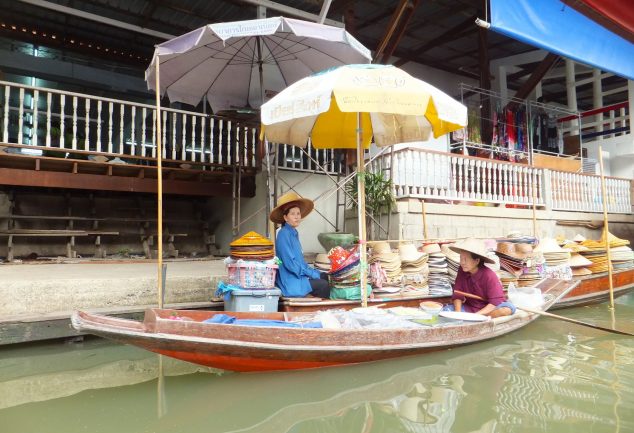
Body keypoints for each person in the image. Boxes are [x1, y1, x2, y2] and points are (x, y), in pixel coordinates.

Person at [270, 191, 330, 298]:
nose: (297, 217)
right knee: (323, 285)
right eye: (292, 214)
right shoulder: (284, 234)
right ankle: (321, 311)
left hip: (297, 277)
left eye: (298, 213)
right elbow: (290, 264)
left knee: (325, 276)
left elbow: (300, 262)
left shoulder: (293, 233)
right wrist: (312, 274)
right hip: (290, 281)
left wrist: (314, 272)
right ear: (285, 218)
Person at [447, 238, 515, 318]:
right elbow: (458, 294)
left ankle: (481, 317)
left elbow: (494, 302)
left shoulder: (489, 275)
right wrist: (457, 314)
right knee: (446, 310)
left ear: (477, 261)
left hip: (489, 308)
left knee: (507, 309)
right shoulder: (462, 270)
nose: (462, 262)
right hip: (470, 307)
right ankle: (476, 318)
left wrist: (476, 316)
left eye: (465, 259)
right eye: (461, 258)